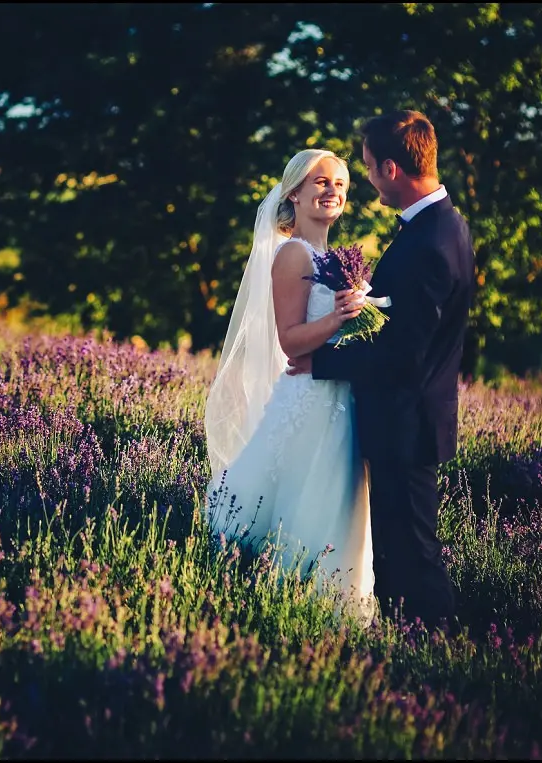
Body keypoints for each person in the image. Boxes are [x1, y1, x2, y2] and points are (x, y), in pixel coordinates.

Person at [287, 111, 476, 635]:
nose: (368, 180)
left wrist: (319, 360)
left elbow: (401, 356)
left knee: (413, 551)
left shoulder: (430, 244)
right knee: (395, 548)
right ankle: (400, 642)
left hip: (406, 422)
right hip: (404, 419)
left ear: (392, 168)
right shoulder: (440, 227)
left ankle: (436, 651)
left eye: (369, 168)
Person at [204, 148, 376, 626]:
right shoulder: (294, 253)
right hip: (312, 402)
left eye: (340, 184)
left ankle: (334, 606)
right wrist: (341, 316)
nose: (332, 192)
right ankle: (294, 604)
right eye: (321, 183)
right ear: (295, 193)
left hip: (341, 398)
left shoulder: (333, 258)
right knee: (312, 495)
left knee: (341, 501)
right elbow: (290, 342)